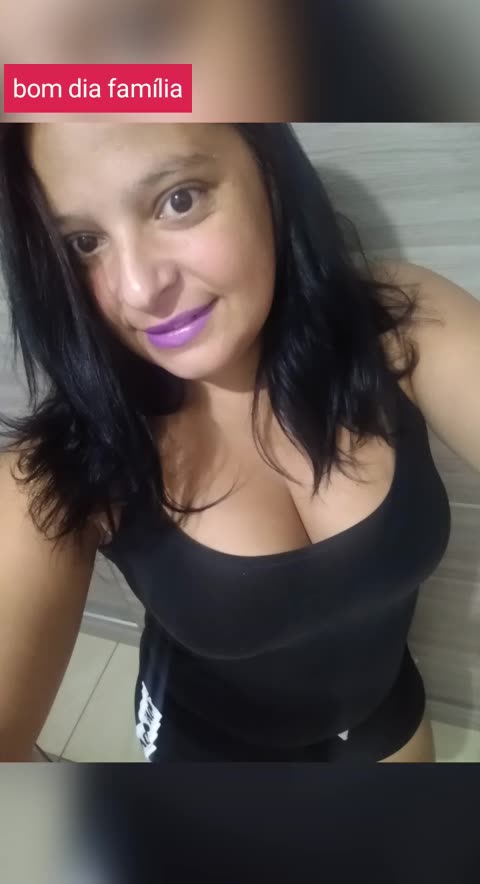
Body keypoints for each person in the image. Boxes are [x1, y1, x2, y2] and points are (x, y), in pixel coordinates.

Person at [0, 122, 479, 762]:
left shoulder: (398, 327)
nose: (139, 289)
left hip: (381, 708)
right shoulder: (72, 464)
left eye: (178, 199)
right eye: (84, 243)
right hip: (210, 751)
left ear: (269, 170)